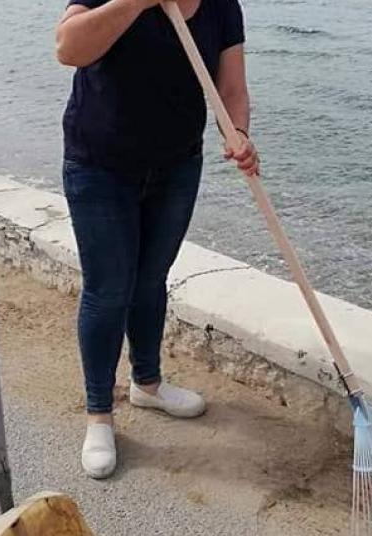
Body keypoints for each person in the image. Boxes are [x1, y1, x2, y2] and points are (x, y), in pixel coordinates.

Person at [55, 0, 259, 479]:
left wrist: (238, 133)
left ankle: (147, 384)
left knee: (151, 280)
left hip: (177, 166)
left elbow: (230, 88)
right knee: (109, 291)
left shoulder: (221, 5)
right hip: (100, 164)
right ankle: (99, 413)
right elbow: (68, 48)